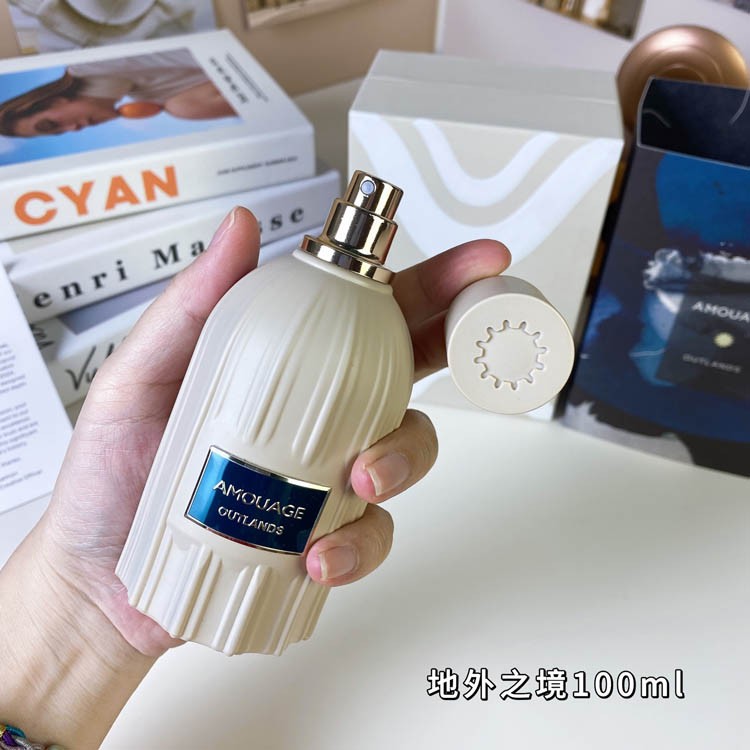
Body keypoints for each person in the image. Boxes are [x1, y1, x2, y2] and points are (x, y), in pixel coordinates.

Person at [0, 207, 510, 749]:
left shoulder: (365, 323)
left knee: (366, 474)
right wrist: (79, 594)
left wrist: (85, 618)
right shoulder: (281, 294)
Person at [0, 49, 234, 138]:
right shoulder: (157, 100)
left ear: (52, 101)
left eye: (51, 124)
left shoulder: (91, 60)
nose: (73, 129)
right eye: (59, 133)